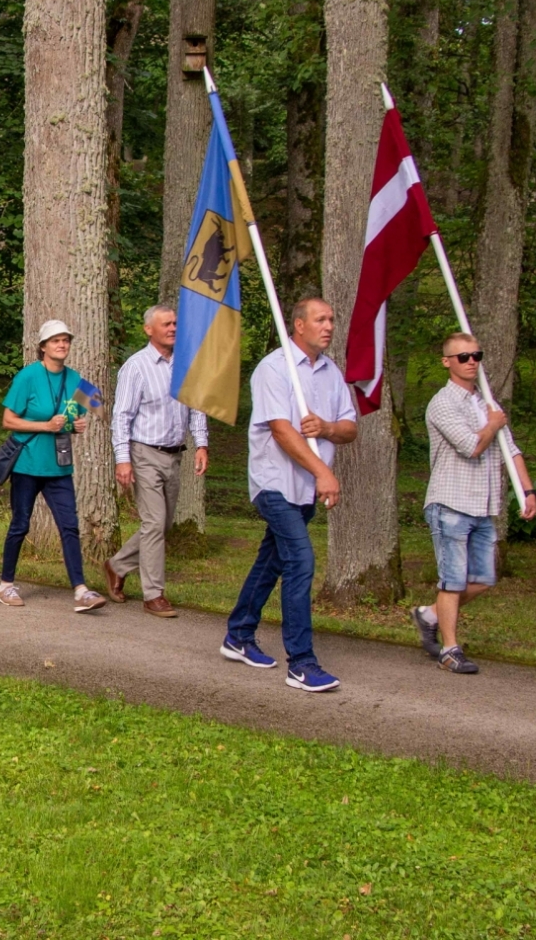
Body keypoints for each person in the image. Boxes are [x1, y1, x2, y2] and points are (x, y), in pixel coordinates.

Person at [220, 297, 357, 693]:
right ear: (298, 325)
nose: (329, 326)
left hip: (305, 489)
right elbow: (281, 430)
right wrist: (325, 473)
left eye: (331, 319)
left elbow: (349, 428)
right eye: (320, 319)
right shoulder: (273, 368)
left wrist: (327, 428)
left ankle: (239, 634)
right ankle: (302, 663)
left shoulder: (332, 373)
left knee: (273, 560)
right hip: (274, 482)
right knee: (301, 559)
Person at [411, 333, 536, 674]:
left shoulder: (487, 403)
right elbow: (471, 446)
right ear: (447, 362)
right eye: (463, 356)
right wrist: (493, 424)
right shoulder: (442, 403)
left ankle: (429, 615)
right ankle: (450, 651)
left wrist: (528, 491)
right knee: (452, 580)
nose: (471, 361)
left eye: (476, 355)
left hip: (484, 504)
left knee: (483, 579)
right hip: (450, 501)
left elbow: (510, 451)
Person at [104, 305, 211, 618]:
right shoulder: (135, 367)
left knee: (161, 525)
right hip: (143, 453)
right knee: (153, 523)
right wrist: (123, 460)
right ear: (149, 329)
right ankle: (154, 594)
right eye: (166, 324)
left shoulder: (186, 364)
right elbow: (121, 416)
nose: (173, 328)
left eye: (176, 323)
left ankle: (117, 565)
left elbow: (197, 407)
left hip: (175, 455)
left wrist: (201, 444)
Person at [0, 319, 103, 612]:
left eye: (66, 340)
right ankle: (5, 585)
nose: (62, 345)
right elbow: (8, 420)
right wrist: (44, 425)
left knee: (70, 526)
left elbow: (96, 411)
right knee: (20, 525)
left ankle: (81, 590)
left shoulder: (77, 380)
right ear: (43, 347)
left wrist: (81, 422)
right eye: (55, 340)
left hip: (59, 468)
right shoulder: (27, 377)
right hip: (28, 464)